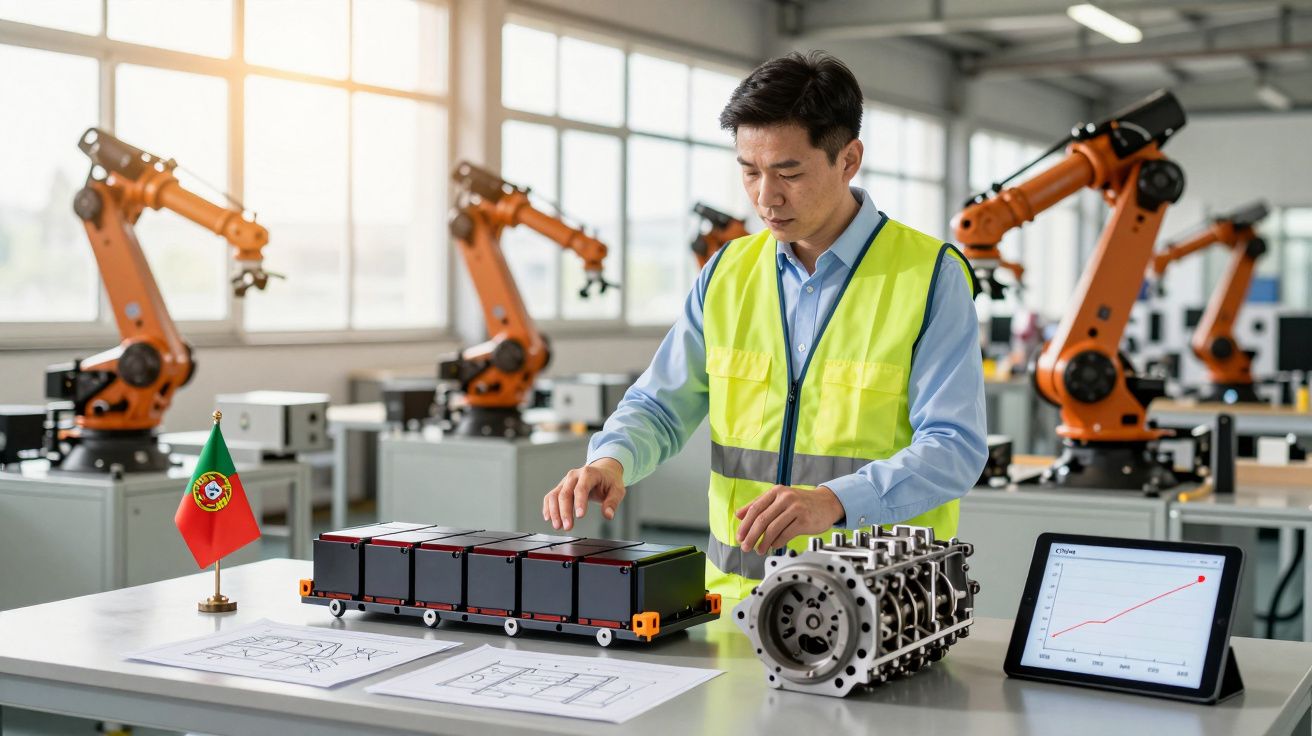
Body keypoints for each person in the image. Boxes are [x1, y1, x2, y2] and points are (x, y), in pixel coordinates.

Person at [542, 50, 988, 600]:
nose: (765, 197)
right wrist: (612, 459)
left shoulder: (930, 276)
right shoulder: (726, 272)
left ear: (849, 160)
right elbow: (660, 405)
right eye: (749, 172)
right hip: (738, 602)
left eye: (789, 172)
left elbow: (954, 447)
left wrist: (835, 500)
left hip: (881, 608)